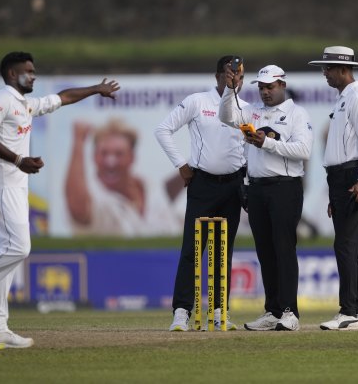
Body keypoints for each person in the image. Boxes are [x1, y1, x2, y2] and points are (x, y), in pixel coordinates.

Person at [0, 51, 119, 349]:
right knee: (19, 247)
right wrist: (19, 159)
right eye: (29, 71)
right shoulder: (0, 99)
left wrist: (95, 90)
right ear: (12, 74)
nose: (34, 76)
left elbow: (62, 97)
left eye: (34, 71)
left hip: (16, 185)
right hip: (2, 184)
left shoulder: (25, 104)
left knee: (4, 253)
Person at [154, 55, 248, 331]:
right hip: (203, 184)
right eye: (231, 75)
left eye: (240, 76)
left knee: (224, 251)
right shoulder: (198, 101)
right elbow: (163, 130)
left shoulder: (246, 108)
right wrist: (181, 165)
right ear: (218, 75)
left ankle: (220, 311)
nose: (236, 81)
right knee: (193, 250)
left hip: (233, 185)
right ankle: (182, 311)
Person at [219, 64, 313, 331]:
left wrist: (267, 143)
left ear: (282, 85)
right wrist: (230, 89)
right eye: (261, 87)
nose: (265, 92)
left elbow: (303, 150)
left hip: (285, 187)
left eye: (270, 87)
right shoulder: (252, 110)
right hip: (258, 188)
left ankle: (289, 312)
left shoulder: (297, 113)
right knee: (265, 251)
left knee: (284, 248)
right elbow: (226, 117)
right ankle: (272, 310)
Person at [308, 46, 358, 331]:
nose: (324, 73)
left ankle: (349, 311)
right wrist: (334, 190)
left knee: (345, 245)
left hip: (353, 176)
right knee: (354, 245)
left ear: (343, 69)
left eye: (328, 68)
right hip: (340, 179)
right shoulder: (343, 99)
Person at [65, 118, 178, 236]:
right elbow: (77, 209)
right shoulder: (95, 197)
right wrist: (79, 141)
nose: (110, 162)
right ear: (94, 157)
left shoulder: (149, 187)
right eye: (104, 153)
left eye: (119, 154)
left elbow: (168, 199)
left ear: (132, 157)